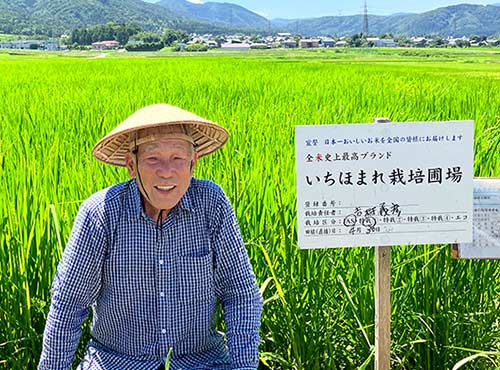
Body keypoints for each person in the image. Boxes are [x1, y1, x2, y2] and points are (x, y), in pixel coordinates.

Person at [38, 104, 263, 370]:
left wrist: (244, 367)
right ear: (131, 165)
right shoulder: (102, 213)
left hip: (201, 361)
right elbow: (69, 304)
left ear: (193, 164)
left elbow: (240, 294)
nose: (166, 171)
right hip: (117, 362)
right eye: (153, 159)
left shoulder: (211, 204)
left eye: (178, 158)